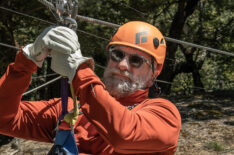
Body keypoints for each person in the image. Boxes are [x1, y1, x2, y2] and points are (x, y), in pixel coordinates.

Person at [0, 21, 181, 154]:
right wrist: (27, 61)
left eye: (136, 60)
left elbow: (123, 135)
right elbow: (4, 119)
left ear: (154, 73)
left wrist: (79, 70)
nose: (123, 65)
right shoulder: (70, 110)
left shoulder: (164, 115)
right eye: (117, 55)